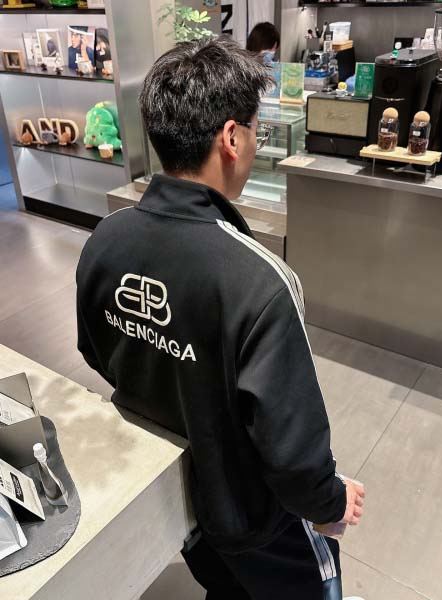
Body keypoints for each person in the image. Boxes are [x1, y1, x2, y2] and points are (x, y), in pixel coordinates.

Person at [76, 37, 365, 600]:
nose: (256, 142)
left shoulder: (105, 240)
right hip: (253, 517)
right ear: (231, 138)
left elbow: (97, 352)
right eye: (256, 130)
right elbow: (292, 452)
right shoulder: (260, 282)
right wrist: (330, 502)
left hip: (175, 495)